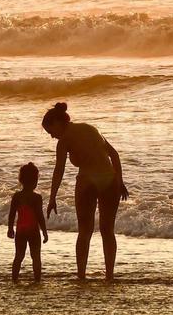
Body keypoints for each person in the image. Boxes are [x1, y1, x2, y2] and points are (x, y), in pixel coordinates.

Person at [42, 102, 128, 281]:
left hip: (87, 183)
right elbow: (114, 155)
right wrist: (120, 182)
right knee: (107, 230)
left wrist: (52, 198)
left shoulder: (64, 140)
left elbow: (59, 170)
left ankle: (81, 275)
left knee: (85, 231)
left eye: (50, 131)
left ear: (58, 122)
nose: (52, 136)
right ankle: (109, 276)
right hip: (110, 181)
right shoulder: (91, 128)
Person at [7, 162, 48, 281]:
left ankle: (14, 279)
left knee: (18, 256)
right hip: (33, 231)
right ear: (35, 180)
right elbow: (40, 216)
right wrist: (44, 232)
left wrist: (10, 228)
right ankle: (37, 280)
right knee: (36, 257)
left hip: (20, 230)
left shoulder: (17, 196)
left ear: (21, 180)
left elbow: (11, 214)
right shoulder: (36, 197)